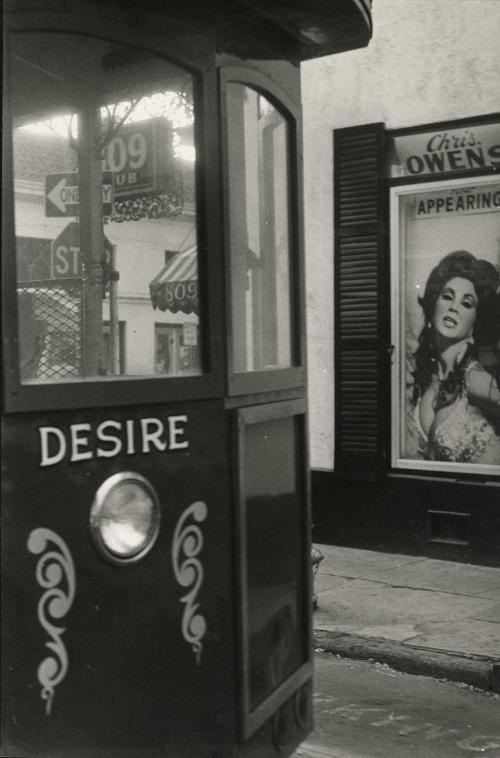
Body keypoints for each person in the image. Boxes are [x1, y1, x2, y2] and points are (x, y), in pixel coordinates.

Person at [407, 250, 500, 464]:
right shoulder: (424, 381)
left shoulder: (475, 378)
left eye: (467, 303)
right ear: (433, 307)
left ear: (474, 325)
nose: (454, 307)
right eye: (447, 296)